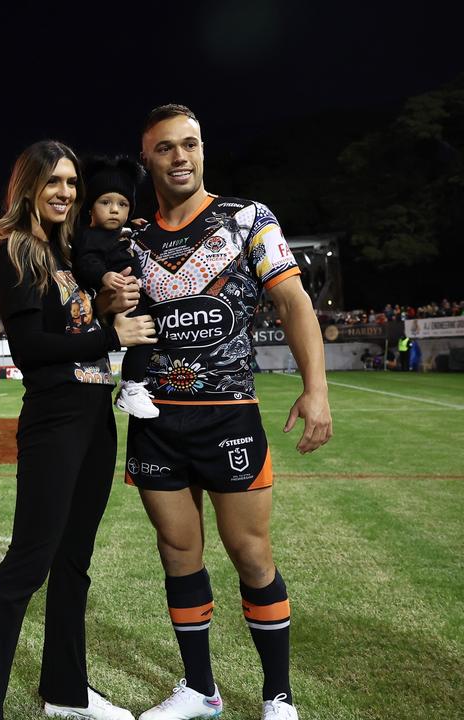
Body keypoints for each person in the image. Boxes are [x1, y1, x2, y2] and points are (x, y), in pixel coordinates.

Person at [124, 105, 332, 720]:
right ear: (148, 160)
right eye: (166, 148)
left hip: (229, 418)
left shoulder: (247, 219)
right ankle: (199, 690)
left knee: (250, 553)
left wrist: (315, 389)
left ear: (203, 151)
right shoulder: (131, 238)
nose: (180, 157)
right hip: (155, 421)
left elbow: (294, 301)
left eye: (190, 144)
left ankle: (277, 697)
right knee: (177, 551)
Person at [0, 140, 156, 720]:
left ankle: (65, 693)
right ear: (29, 189)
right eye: (53, 182)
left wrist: (107, 302)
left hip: (94, 415)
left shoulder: (66, 252)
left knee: (73, 563)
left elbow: (79, 326)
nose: (65, 191)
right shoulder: (17, 249)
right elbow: (31, 348)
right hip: (54, 418)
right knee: (28, 562)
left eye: (71, 182)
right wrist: (114, 337)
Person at [72, 155, 158, 419]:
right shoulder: (88, 235)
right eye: (105, 202)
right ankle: (131, 387)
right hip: (115, 299)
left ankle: (134, 385)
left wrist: (135, 227)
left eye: (122, 204)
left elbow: (121, 239)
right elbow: (85, 261)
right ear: (90, 208)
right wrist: (104, 276)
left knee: (147, 340)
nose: (114, 210)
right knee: (142, 339)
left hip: (135, 295)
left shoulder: (123, 232)